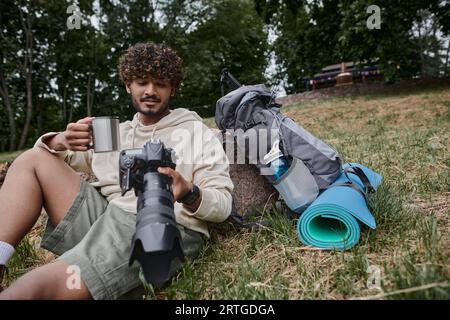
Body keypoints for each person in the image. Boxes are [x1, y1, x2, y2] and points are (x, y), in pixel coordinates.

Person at [0, 42, 233, 300]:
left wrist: (188, 192)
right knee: (31, 160)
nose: (150, 91)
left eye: (161, 83)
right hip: (106, 217)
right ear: (128, 85)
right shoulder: (115, 133)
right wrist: (61, 141)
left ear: (173, 88)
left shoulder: (195, 132)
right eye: (142, 82)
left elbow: (222, 205)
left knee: (32, 288)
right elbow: (51, 157)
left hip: (158, 226)